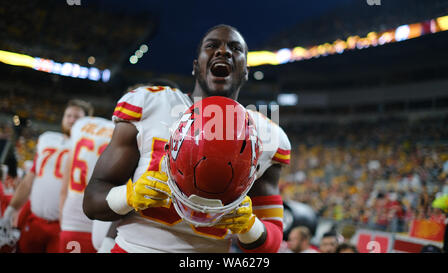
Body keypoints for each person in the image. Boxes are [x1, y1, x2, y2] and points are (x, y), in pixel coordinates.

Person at [83, 24, 291, 253]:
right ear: (195, 66)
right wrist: (129, 196)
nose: (223, 52)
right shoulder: (151, 104)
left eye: (235, 48)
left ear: (245, 71)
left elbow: (272, 241)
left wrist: (250, 227)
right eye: (212, 45)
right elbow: (93, 201)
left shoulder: (267, 135)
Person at [0, 99, 92, 253]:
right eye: (68, 115)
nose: (71, 120)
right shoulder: (48, 139)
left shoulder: (89, 148)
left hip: (63, 225)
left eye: (77, 116)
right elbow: (29, 181)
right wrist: (10, 211)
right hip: (35, 221)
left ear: (87, 121)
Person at [59, 115, 115, 253]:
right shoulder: (127, 132)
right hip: (105, 225)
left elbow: (64, 186)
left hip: (72, 221)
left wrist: (62, 219)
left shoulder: (81, 128)